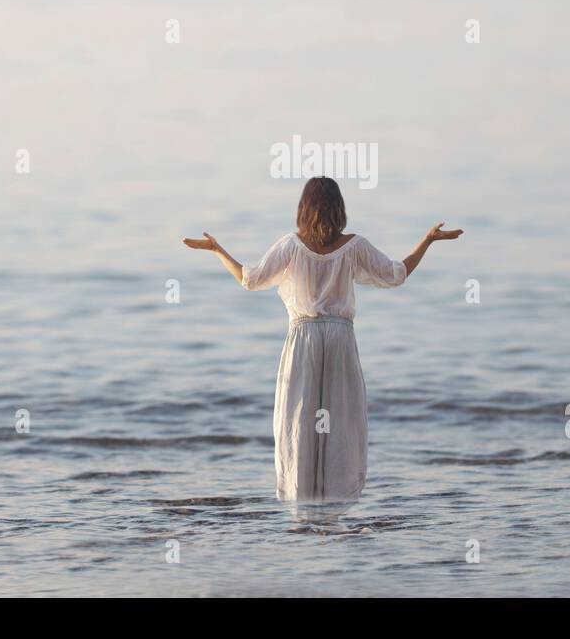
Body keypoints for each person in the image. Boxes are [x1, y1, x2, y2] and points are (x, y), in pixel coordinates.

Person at [183, 177, 462, 501]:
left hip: (303, 337)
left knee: (298, 417)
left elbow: (251, 278)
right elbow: (396, 274)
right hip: (340, 337)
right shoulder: (354, 245)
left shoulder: (290, 245)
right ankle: (337, 500)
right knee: (341, 416)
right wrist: (427, 240)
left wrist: (218, 250)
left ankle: (301, 501)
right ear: (339, 209)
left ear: (304, 209)